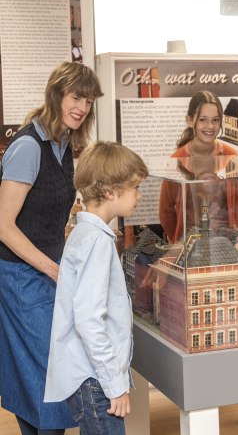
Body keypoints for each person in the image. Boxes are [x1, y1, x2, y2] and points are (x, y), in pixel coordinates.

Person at [158, 90, 238, 434]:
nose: (210, 126)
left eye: (216, 119)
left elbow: (237, 207)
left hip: (225, 246)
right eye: (203, 118)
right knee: (201, 325)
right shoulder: (177, 159)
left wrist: (232, 240)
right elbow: (166, 213)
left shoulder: (231, 156)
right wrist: (181, 245)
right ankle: (204, 400)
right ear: (191, 120)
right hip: (191, 249)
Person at [0, 62, 103, 435]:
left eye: (89, 101)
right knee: (52, 372)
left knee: (35, 374)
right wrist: (52, 268)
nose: (82, 107)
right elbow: (3, 226)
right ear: (57, 94)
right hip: (19, 275)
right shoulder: (28, 147)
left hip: (46, 268)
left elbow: (50, 215)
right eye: (76, 97)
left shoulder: (63, 145)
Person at [44, 141, 149, 435]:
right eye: (135, 188)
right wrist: (115, 386)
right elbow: (89, 318)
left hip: (88, 377)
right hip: (94, 381)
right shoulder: (97, 242)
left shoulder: (85, 233)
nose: (139, 196)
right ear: (111, 192)